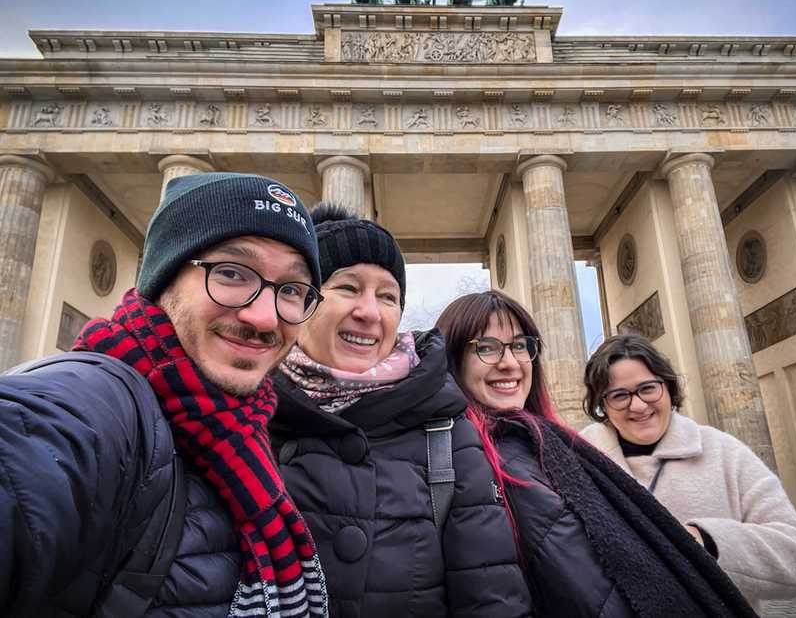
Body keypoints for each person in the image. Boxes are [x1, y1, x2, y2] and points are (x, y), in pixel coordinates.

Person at [1, 173, 329, 617]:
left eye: (290, 289)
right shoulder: (94, 405)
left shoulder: (244, 428)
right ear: (163, 279)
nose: (265, 317)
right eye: (232, 272)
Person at [270, 205, 533, 617]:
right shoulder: (242, 411)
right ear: (302, 298)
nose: (370, 312)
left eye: (388, 296)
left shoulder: (447, 429)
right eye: (348, 288)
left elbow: (491, 598)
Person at [436, 291, 758, 618]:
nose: (510, 362)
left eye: (520, 345)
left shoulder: (552, 449)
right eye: (487, 347)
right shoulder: (494, 462)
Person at [579, 333, 796, 613]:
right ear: (603, 405)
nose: (637, 405)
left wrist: (706, 541)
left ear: (668, 388)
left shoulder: (725, 453)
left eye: (648, 388)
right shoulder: (578, 461)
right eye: (619, 395)